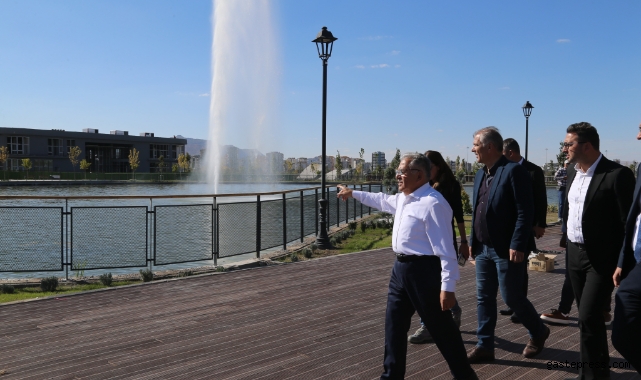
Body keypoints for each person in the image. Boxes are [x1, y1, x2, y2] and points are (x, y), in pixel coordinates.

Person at [337, 154, 477, 380]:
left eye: (401, 172)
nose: (397, 176)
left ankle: (465, 376)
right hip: (400, 271)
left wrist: (448, 287)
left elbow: (446, 250)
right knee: (394, 326)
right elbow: (381, 200)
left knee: (442, 329)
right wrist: (352, 193)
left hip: (424, 272)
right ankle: (391, 376)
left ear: (419, 175)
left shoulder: (433, 203)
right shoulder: (404, 198)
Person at [467, 127, 550, 363]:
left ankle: (538, 331)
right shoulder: (481, 174)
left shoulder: (514, 171)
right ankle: (485, 345)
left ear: (489, 147)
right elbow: (477, 212)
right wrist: (473, 241)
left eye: (475, 145)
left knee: (512, 297)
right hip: (483, 248)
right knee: (483, 297)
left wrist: (517, 243)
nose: (473, 149)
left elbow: (525, 211)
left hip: (506, 249)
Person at [561, 122, 635, 380]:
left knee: (589, 316)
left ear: (586, 146)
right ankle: (592, 374)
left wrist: (623, 261)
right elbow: (570, 212)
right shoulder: (571, 172)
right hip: (574, 253)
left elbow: (629, 222)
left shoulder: (617, 174)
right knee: (586, 320)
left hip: (601, 259)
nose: (564, 149)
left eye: (568, 144)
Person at [407, 150, 469, 343]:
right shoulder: (425, 185)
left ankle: (428, 326)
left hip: (441, 241)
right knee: (430, 284)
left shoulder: (449, 186)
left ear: (438, 166)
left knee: (429, 285)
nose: (425, 171)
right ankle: (453, 310)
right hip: (424, 242)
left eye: (429, 167)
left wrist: (464, 242)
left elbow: (459, 216)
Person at [501, 138, 548, 323]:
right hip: (507, 227)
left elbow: (541, 199)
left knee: (520, 267)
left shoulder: (533, 170)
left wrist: (540, 224)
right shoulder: (503, 170)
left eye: (503, 155)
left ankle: (520, 305)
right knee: (508, 266)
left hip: (526, 225)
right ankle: (512, 302)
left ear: (511, 153)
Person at [611, 122, 641, 375]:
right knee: (622, 335)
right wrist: (623, 259)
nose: (638, 135)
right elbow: (634, 216)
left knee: (626, 301)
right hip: (636, 260)